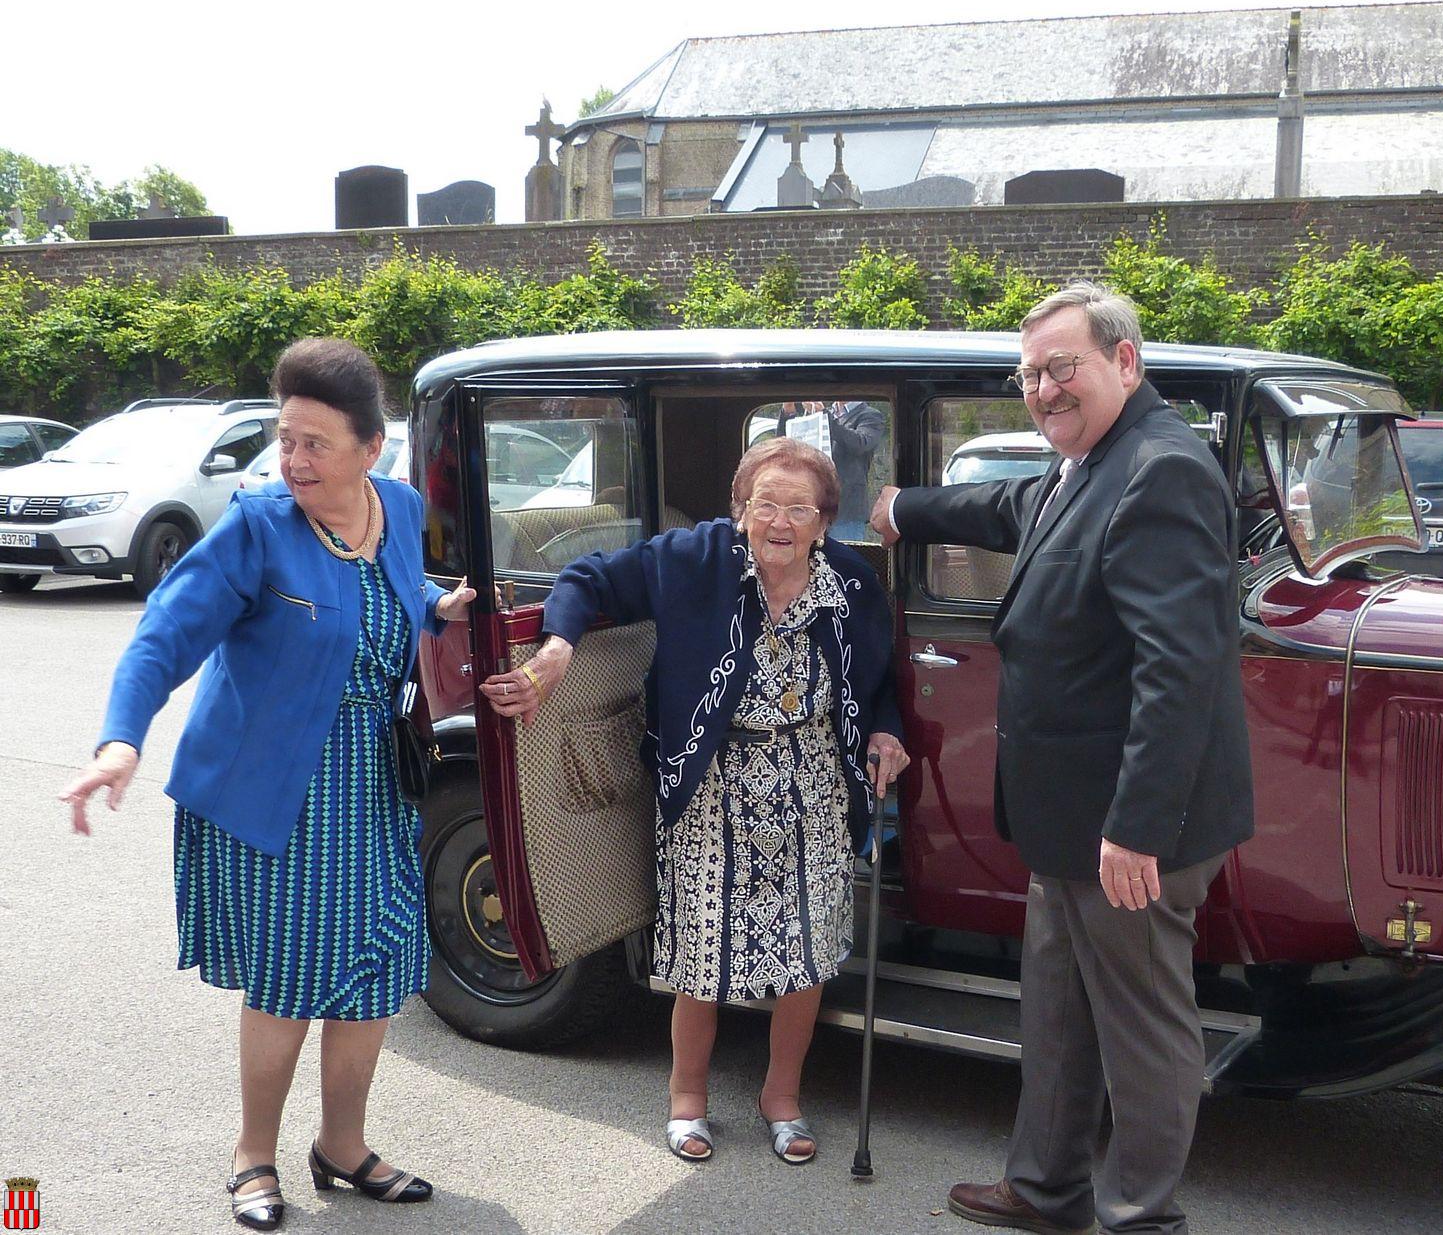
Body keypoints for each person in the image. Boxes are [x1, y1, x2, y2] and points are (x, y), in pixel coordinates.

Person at [58, 338, 477, 1231]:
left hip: (375, 781)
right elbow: (164, 634)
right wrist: (119, 740)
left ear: (371, 449)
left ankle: (344, 1145)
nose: (292, 460)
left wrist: (436, 604)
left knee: (375, 970)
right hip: (277, 791)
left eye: (315, 443)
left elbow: (396, 582)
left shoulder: (398, 509)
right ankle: (254, 1151)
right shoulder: (257, 526)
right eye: (284, 439)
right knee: (290, 978)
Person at [871, 281, 1254, 1235]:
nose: (1042, 390)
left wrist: (1137, 827)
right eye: (1030, 374)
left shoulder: (1161, 469)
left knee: (1141, 1031)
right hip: (1065, 820)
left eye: (1061, 368)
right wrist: (903, 507)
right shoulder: (1088, 462)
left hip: (1126, 827)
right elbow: (1014, 509)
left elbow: (1182, 667)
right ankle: (1046, 1189)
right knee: (1057, 1012)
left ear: (1126, 361)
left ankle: (1138, 1217)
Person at [481, 436, 909, 1166]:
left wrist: (886, 734)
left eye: (798, 508)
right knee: (703, 950)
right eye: (763, 503)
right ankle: (687, 1097)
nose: (779, 521)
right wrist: (555, 651)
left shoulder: (852, 583)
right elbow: (587, 578)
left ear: (823, 521)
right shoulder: (692, 559)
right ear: (739, 509)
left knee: (805, 953)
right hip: (711, 780)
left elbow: (876, 686)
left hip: (812, 783)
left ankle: (782, 1096)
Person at [778, 399, 885, 538]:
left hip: (846, 510)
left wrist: (824, 416)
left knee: (843, 557)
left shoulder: (870, 415)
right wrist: (788, 412)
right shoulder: (824, 413)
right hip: (812, 505)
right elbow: (785, 444)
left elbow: (860, 443)